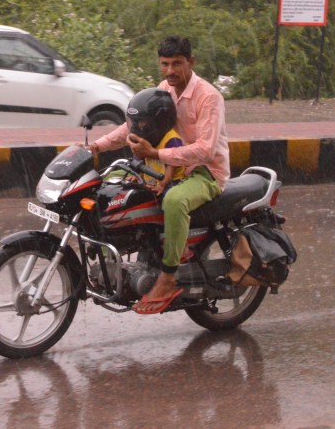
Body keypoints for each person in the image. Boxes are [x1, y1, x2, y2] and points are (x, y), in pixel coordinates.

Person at [87, 36, 230, 315]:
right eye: (165, 64)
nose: (170, 71)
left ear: (191, 62)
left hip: (205, 172)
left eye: (177, 64)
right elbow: (133, 128)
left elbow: (205, 149)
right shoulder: (164, 89)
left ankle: (168, 276)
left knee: (174, 200)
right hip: (165, 166)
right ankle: (108, 258)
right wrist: (96, 146)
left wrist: (156, 154)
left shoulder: (208, 97)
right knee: (110, 182)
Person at [123, 88, 186, 197]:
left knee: (167, 198)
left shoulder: (171, 140)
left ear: (160, 120)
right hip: (152, 178)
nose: (138, 126)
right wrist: (136, 175)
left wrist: (163, 184)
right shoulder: (145, 136)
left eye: (142, 122)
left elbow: (171, 167)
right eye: (135, 121)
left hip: (171, 181)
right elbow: (139, 160)